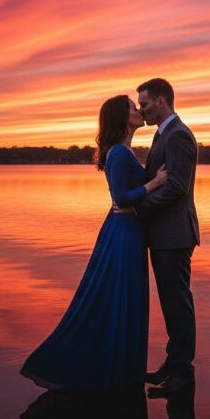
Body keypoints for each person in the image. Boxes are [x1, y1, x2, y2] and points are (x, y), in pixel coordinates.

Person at [20, 94, 167, 393]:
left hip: (128, 230)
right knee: (117, 298)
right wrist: (155, 183)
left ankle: (122, 369)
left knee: (124, 299)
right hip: (123, 233)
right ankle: (106, 371)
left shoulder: (124, 152)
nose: (138, 110)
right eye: (131, 107)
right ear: (120, 117)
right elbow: (121, 199)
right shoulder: (118, 154)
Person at [131, 78, 200, 397]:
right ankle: (172, 368)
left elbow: (177, 188)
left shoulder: (178, 135)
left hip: (174, 235)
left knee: (178, 304)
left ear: (161, 101)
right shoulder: (164, 134)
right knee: (172, 305)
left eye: (144, 104)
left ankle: (182, 377)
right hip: (164, 235)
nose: (141, 110)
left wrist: (139, 209)